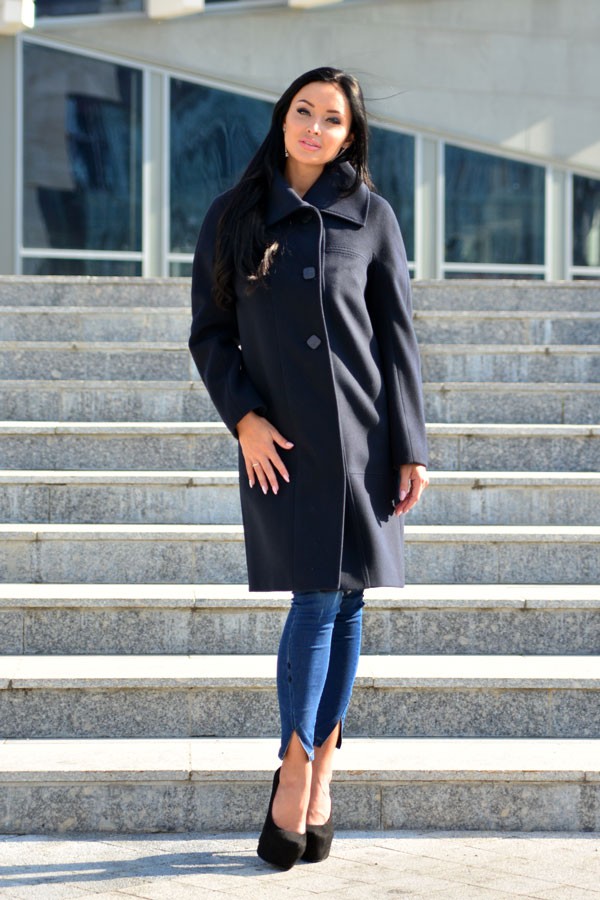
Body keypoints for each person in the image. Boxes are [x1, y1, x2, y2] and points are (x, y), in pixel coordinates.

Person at [189, 66, 429, 870]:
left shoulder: (372, 216)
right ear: (283, 116)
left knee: (349, 601)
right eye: (304, 111)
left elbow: (396, 339)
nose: (315, 128)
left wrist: (411, 445)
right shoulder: (234, 215)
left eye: (333, 119)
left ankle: (320, 772)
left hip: (365, 442)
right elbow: (210, 333)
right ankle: (295, 768)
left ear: (349, 136)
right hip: (284, 445)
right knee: (316, 599)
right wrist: (244, 420)